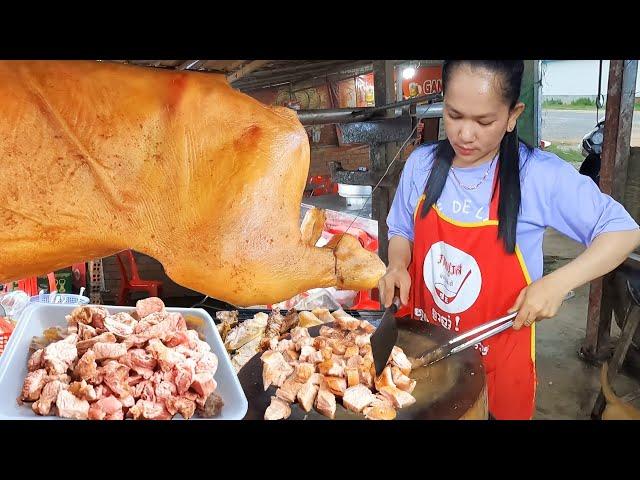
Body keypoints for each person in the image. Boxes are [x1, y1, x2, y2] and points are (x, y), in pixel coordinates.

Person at [378, 60, 640, 420]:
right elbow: (401, 230)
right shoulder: (421, 164)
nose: (465, 134)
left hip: (499, 358)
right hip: (426, 351)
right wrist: (396, 265)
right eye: (454, 116)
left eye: (484, 121)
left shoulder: (538, 176)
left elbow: (623, 230)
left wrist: (557, 283)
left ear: (512, 115)